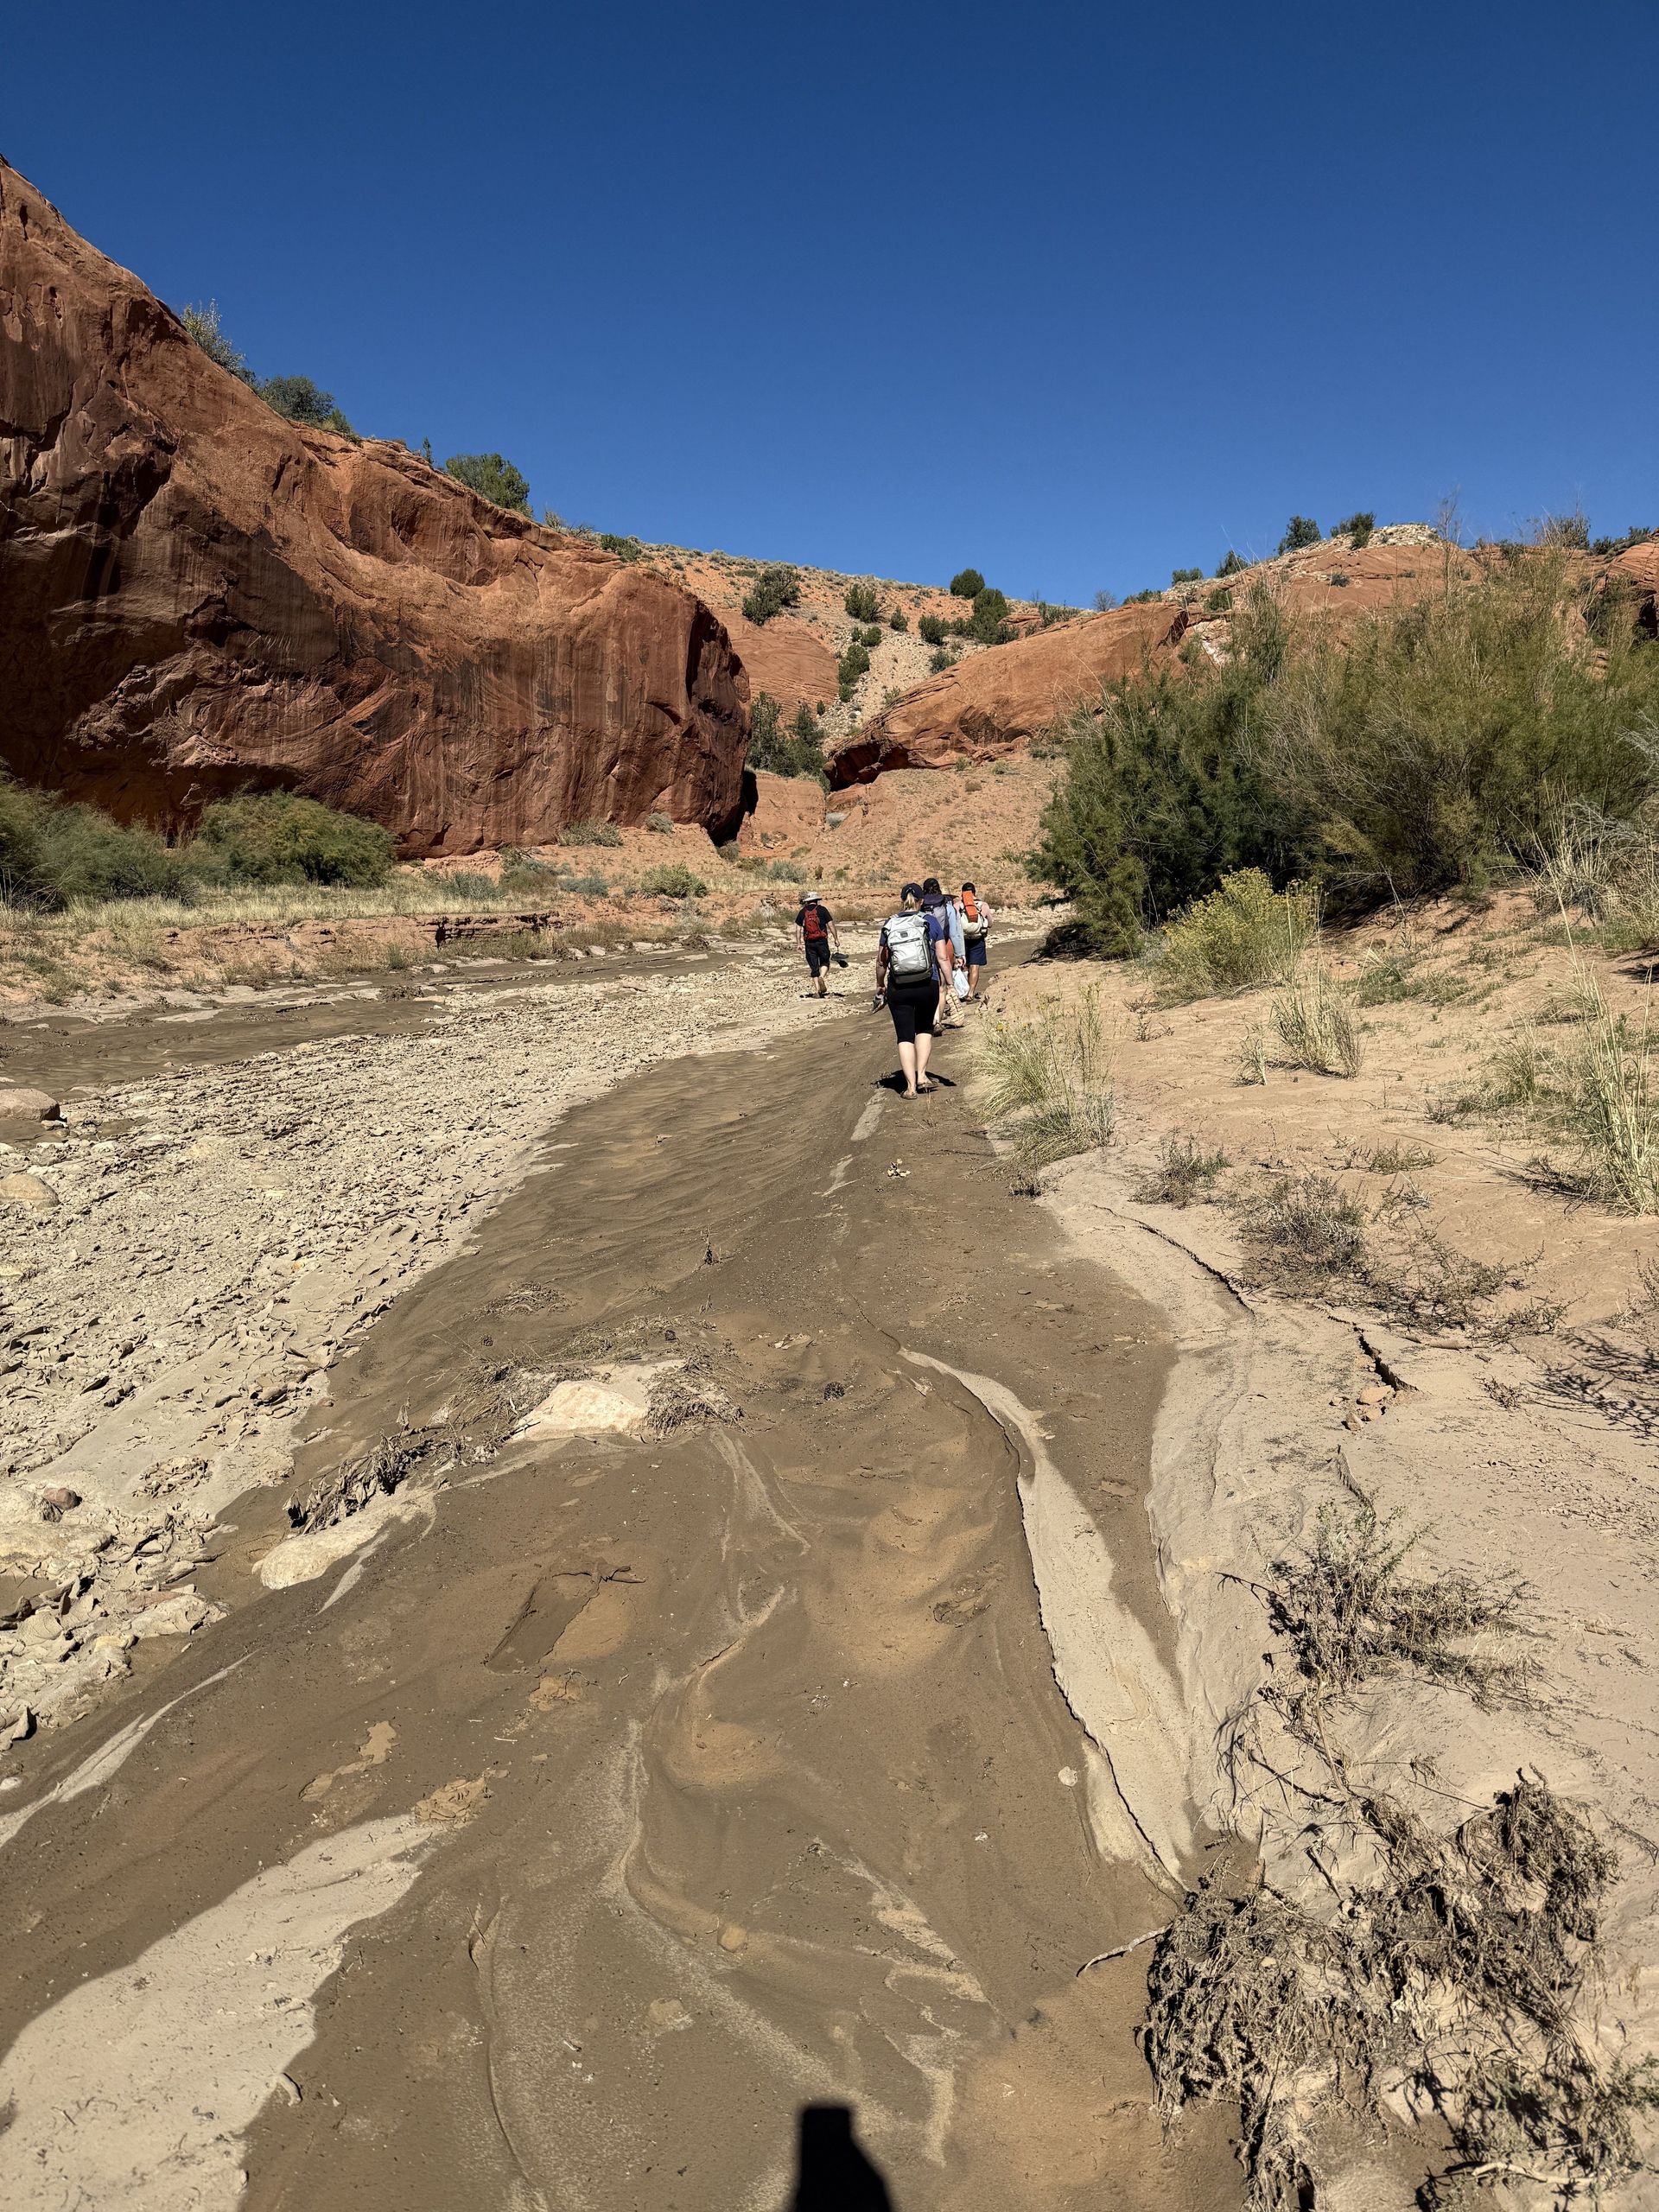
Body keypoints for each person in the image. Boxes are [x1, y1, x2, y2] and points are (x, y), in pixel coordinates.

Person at [876, 884, 947, 1096]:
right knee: (924, 1029)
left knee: (904, 1036)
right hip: (928, 983)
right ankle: (923, 1076)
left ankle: (910, 1087)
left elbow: (881, 962)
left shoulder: (890, 924)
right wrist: (949, 983)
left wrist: (880, 985)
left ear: (901, 900)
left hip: (899, 987)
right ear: (921, 901)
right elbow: (942, 957)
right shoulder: (930, 921)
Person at [918, 876, 962, 1032]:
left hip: (924, 949)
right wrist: (960, 954)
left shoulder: (920, 907)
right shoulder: (947, 906)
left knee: (928, 984)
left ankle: (926, 1018)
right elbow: (955, 934)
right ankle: (937, 1021)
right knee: (942, 987)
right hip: (944, 945)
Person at [795, 891, 841, 998]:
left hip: (809, 943)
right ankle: (822, 977)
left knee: (814, 966)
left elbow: (798, 928)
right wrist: (836, 939)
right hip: (822, 941)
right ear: (816, 900)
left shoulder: (803, 911)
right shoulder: (823, 910)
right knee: (825, 961)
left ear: (808, 901)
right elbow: (831, 925)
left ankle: (818, 991)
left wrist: (798, 943)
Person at [956, 880, 993, 998]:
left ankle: (963, 991)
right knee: (975, 966)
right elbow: (990, 924)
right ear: (974, 892)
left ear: (962, 893)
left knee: (963, 965)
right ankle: (971, 993)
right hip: (978, 939)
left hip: (962, 939)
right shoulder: (984, 905)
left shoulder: (957, 906)